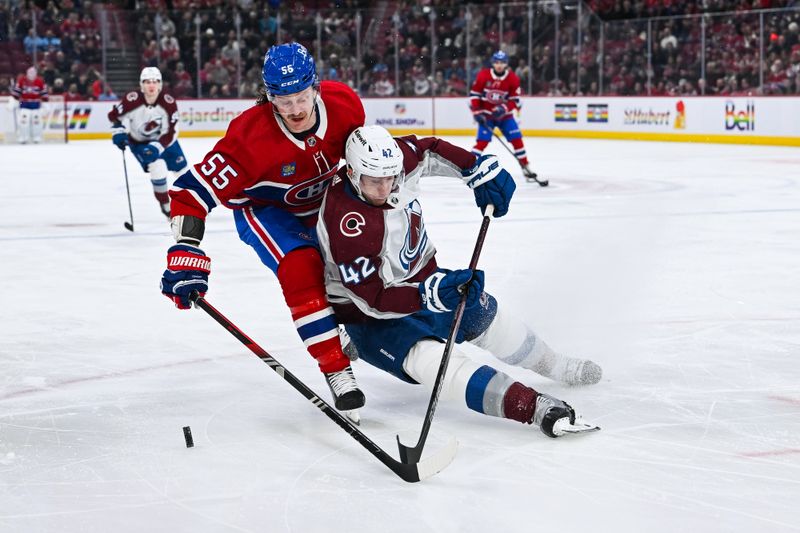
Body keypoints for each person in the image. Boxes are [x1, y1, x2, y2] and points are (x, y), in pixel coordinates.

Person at [316, 126, 601, 437]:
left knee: (486, 316)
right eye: (374, 181)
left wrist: (475, 168)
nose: (386, 187)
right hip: (370, 319)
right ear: (354, 173)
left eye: (391, 177)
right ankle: (532, 407)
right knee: (438, 365)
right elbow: (372, 298)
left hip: (424, 279)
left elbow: (430, 149)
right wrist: (430, 295)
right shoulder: (346, 222)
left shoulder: (396, 161)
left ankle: (554, 364)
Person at [159, 43, 367, 416]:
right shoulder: (250, 138)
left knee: (361, 247)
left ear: (315, 87)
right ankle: (338, 371)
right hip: (267, 210)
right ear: (268, 96)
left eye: (301, 97)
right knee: (301, 267)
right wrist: (187, 249)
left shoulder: (346, 105)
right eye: (283, 101)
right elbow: (190, 192)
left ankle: (351, 322)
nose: (295, 110)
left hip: (321, 200)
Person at [108, 67, 187, 218]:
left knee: (183, 172)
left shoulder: (168, 103)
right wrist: (118, 133)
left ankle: (198, 201)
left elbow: (171, 131)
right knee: (158, 168)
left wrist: (157, 146)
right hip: (140, 143)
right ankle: (165, 205)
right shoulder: (132, 100)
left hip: (166, 142)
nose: (151, 85)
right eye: (147, 82)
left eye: (155, 81)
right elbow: (115, 116)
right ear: (141, 85)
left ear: (160, 84)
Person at [469, 50, 538, 183]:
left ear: (506, 64)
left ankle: (526, 168)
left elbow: (514, 100)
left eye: (502, 62)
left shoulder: (513, 78)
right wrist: (477, 113)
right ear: (493, 63)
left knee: (517, 140)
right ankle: (468, 166)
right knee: (482, 142)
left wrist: (504, 108)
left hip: (505, 117)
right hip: (487, 116)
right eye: (497, 62)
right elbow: (475, 95)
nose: (499, 65)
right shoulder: (483, 75)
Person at [11, 66, 48, 144]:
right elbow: (16, 94)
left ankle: (37, 137)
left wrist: (46, 104)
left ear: (36, 73)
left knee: (37, 121)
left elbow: (44, 94)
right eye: (30, 73)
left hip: (36, 105)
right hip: (24, 104)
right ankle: (23, 137)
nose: (31, 74)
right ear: (27, 73)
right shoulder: (21, 80)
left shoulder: (40, 81)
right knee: (23, 121)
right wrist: (13, 102)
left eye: (33, 73)